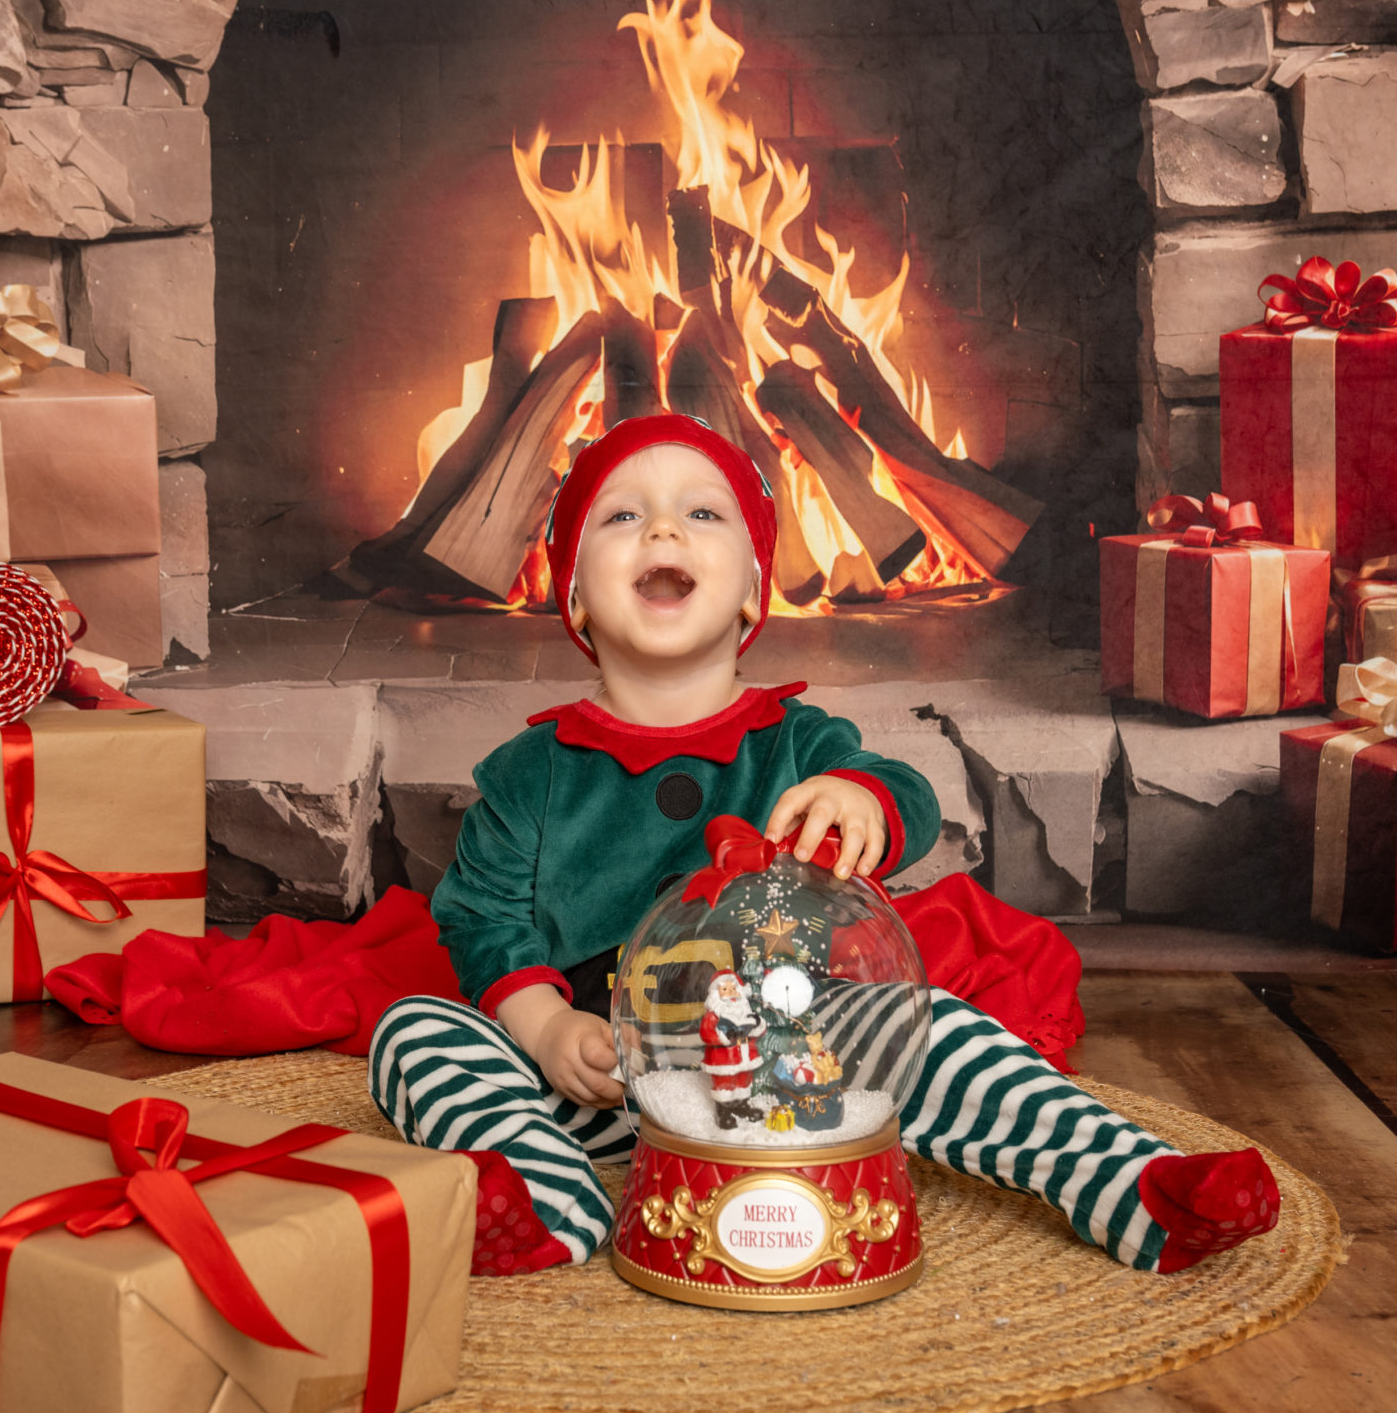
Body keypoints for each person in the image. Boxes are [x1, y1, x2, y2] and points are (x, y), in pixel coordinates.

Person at [367, 414, 1280, 1275]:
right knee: (414, 1034)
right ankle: (545, 1198)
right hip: (595, 1081)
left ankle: (1129, 1182)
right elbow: (481, 916)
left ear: (754, 590)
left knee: (940, 1028)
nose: (663, 530)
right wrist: (545, 1026)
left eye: (702, 513)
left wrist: (860, 798)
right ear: (572, 592)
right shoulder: (531, 770)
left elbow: (905, 795)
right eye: (622, 516)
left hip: (793, 1063)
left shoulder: (798, 741)